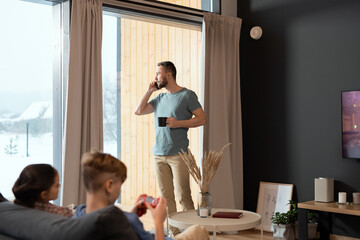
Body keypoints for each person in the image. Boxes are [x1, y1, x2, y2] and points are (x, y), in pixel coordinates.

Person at [135, 61, 206, 234]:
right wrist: (149, 90)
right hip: (159, 154)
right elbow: (139, 111)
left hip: (179, 154)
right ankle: (175, 234)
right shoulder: (159, 98)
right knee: (166, 198)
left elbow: (202, 119)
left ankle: (192, 232)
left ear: (168, 75)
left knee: (184, 196)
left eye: (158, 73)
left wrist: (178, 123)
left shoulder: (187, 95)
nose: (156, 77)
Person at [73, 150, 171, 240]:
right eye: (120, 184)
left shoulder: (77, 217)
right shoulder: (122, 222)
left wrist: (131, 214)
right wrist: (159, 222)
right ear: (109, 185)